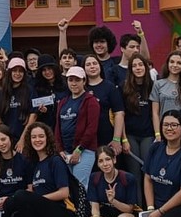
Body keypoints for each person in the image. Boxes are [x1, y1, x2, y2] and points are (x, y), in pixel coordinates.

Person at [8, 123, 76, 217]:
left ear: (48, 138)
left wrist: (36, 200)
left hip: (62, 212)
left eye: (41, 136)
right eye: (33, 137)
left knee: (21, 195)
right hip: (44, 212)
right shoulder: (36, 164)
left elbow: (64, 192)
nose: (37, 140)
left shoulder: (55, 161)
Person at [53, 66, 99, 196]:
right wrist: (60, 149)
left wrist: (79, 150)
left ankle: (84, 215)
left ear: (84, 81)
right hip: (65, 152)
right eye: (70, 80)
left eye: (77, 80)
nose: (73, 83)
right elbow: (58, 126)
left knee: (80, 187)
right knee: (68, 188)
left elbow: (92, 128)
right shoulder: (63, 102)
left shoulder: (91, 101)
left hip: (85, 151)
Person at [86, 145, 140, 217]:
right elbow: (95, 204)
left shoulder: (128, 178)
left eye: (107, 159)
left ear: (114, 159)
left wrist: (113, 201)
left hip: (127, 214)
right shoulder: (94, 178)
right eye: (101, 161)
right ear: (97, 163)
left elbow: (129, 209)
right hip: (107, 213)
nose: (105, 164)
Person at [150, 51, 181, 151]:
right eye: (172, 62)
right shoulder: (158, 84)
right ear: (167, 64)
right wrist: (157, 134)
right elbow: (155, 113)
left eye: (179, 63)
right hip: (165, 131)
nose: (175, 65)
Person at [120, 54, 154, 183]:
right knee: (134, 175)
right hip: (130, 136)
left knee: (148, 172)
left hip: (148, 135)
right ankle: (136, 203)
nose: (138, 68)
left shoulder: (153, 86)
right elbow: (120, 115)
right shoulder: (124, 87)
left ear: (146, 67)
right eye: (134, 65)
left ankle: (150, 203)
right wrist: (124, 139)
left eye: (140, 65)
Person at [83, 54, 124, 153]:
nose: (92, 66)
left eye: (95, 63)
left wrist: (116, 139)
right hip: (86, 139)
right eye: (88, 64)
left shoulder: (109, 87)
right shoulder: (81, 88)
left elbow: (119, 113)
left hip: (107, 136)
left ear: (100, 66)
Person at [0, 57, 35, 141]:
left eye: (21, 71)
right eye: (14, 71)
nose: (17, 74)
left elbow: (33, 116)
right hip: (6, 138)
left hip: (23, 137)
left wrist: (23, 139)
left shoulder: (30, 90)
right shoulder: (2, 92)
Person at [31, 54, 61, 130]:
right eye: (44, 70)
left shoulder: (64, 85)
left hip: (63, 126)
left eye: (49, 68)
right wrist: (43, 111)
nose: (47, 72)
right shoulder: (37, 88)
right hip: (45, 128)